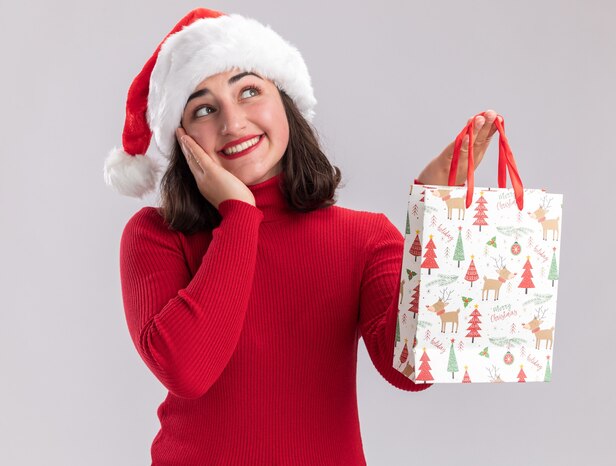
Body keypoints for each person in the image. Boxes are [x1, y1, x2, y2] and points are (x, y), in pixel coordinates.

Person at [103, 7, 500, 466]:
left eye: (249, 91)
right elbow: (187, 371)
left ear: (285, 102)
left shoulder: (363, 238)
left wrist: (437, 216)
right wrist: (239, 216)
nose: (233, 124)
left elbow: (410, 370)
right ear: (182, 139)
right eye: (204, 109)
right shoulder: (155, 237)